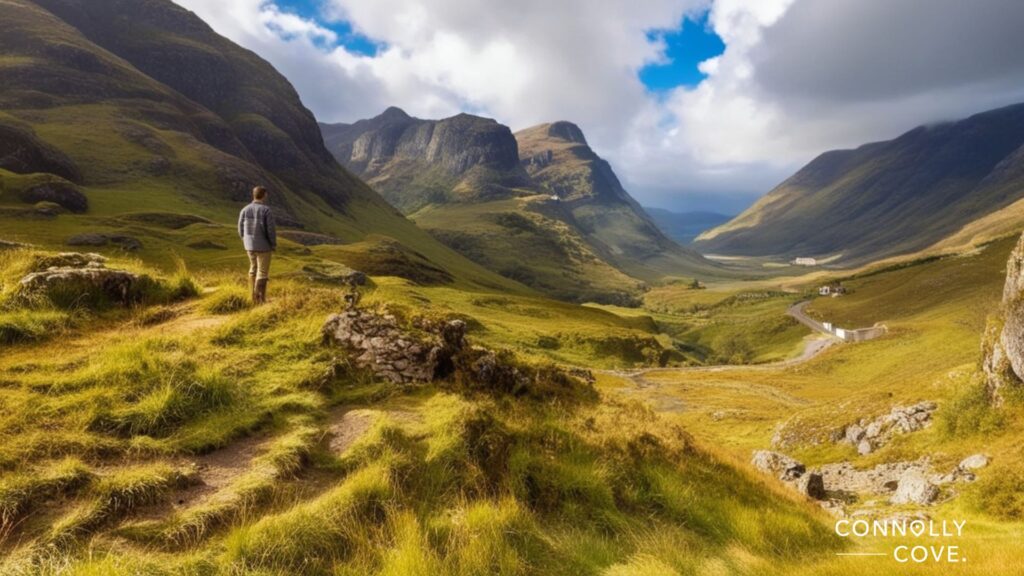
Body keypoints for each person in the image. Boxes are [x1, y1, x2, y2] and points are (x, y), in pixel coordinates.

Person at [238, 186, 277, 304]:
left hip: (249, 246)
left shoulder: (244, 210)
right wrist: (273, 244)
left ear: (254, 195)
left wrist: (245, 241)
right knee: (262, 272)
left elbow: (240, 228)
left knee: (253, 269)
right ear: (264, 195)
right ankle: (259, 301)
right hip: (263, 246)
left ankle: (252, 297)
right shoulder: (266, 210)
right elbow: (270, 230)